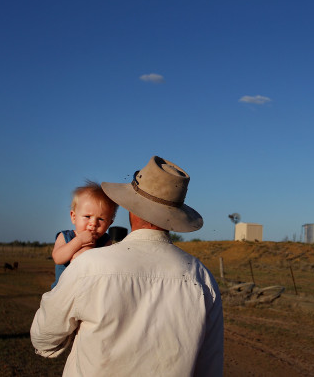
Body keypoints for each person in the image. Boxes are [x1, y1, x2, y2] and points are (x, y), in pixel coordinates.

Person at [31, 156, 224, 376]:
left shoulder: (89, 264)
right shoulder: (202, 277)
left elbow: (44, 339)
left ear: (131, 208)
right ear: (175, 216)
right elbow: (211, 365)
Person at [50, 181, 118, 289]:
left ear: (109, 223)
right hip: (62, 293)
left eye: (101, 219)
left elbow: (107, 266)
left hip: (89, 294)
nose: (93, 223)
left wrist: (89, 250)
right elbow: (58, 258)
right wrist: (79, 241)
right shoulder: (65, 236)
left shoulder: (105, 242)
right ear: (73, 217)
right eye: (87, 216)